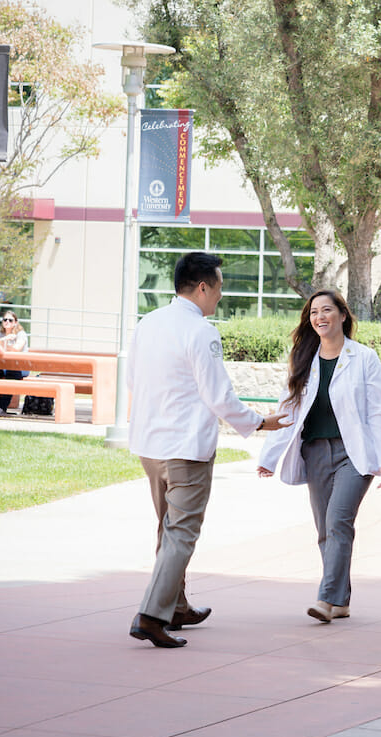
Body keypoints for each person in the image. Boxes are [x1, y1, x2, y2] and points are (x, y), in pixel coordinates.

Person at [127, 252, 289, 648]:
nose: (220, 296)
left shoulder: (147, 323)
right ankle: (150, 615)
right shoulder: (202, 332)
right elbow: (219, 396)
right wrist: (260, 422)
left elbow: (132, 379)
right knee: (181, 533)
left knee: (168, 530)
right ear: (202, 287)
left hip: (150, 445)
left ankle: (175, 606)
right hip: (186, 449)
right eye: (218, 288)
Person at [257, 290, 381, 623]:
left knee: (338, 521)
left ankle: (326, 598)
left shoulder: (363, 358)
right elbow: (288, 409)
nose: (320, 317)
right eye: (314, 312)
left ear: (343, 315)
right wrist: (270, 455)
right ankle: (342, 599)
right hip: (315, 451)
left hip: (354, 453)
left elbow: (379, 411)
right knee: (324, 529)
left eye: (327, 310)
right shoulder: (304, 360)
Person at [0, 311, 29, 415]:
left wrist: (1, 344)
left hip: (20, 367)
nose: (7, 322)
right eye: (5, 320)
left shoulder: (21, 334)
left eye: (10, 320)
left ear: (15, 322)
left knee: (12, 373)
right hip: (3, 366)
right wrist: (4, 339)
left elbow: (17, 349)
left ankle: (2, 407)